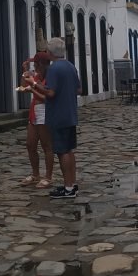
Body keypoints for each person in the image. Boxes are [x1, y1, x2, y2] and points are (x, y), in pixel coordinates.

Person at [32, 36, 81, 199]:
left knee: (62, 152)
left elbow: (51, 92)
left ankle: (67, 188)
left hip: (58, 115)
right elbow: (79, 90)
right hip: (70, 113)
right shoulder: (71, 67)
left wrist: (35, 85)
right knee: (70, 150)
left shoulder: (54, 69)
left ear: (50, 52)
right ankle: (72, 185)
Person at [19, 52, 54, 187]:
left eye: (35, 64)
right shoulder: (38, 76)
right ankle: (35, 174)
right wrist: (25, 72)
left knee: (47, 146)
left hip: (45, 112)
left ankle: (48, 177)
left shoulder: (50, 78)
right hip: (34, 111)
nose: (35, 66)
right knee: (30, 144)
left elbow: (46, 98)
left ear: (41, 64)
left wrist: (32, 90)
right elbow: (23, 86)